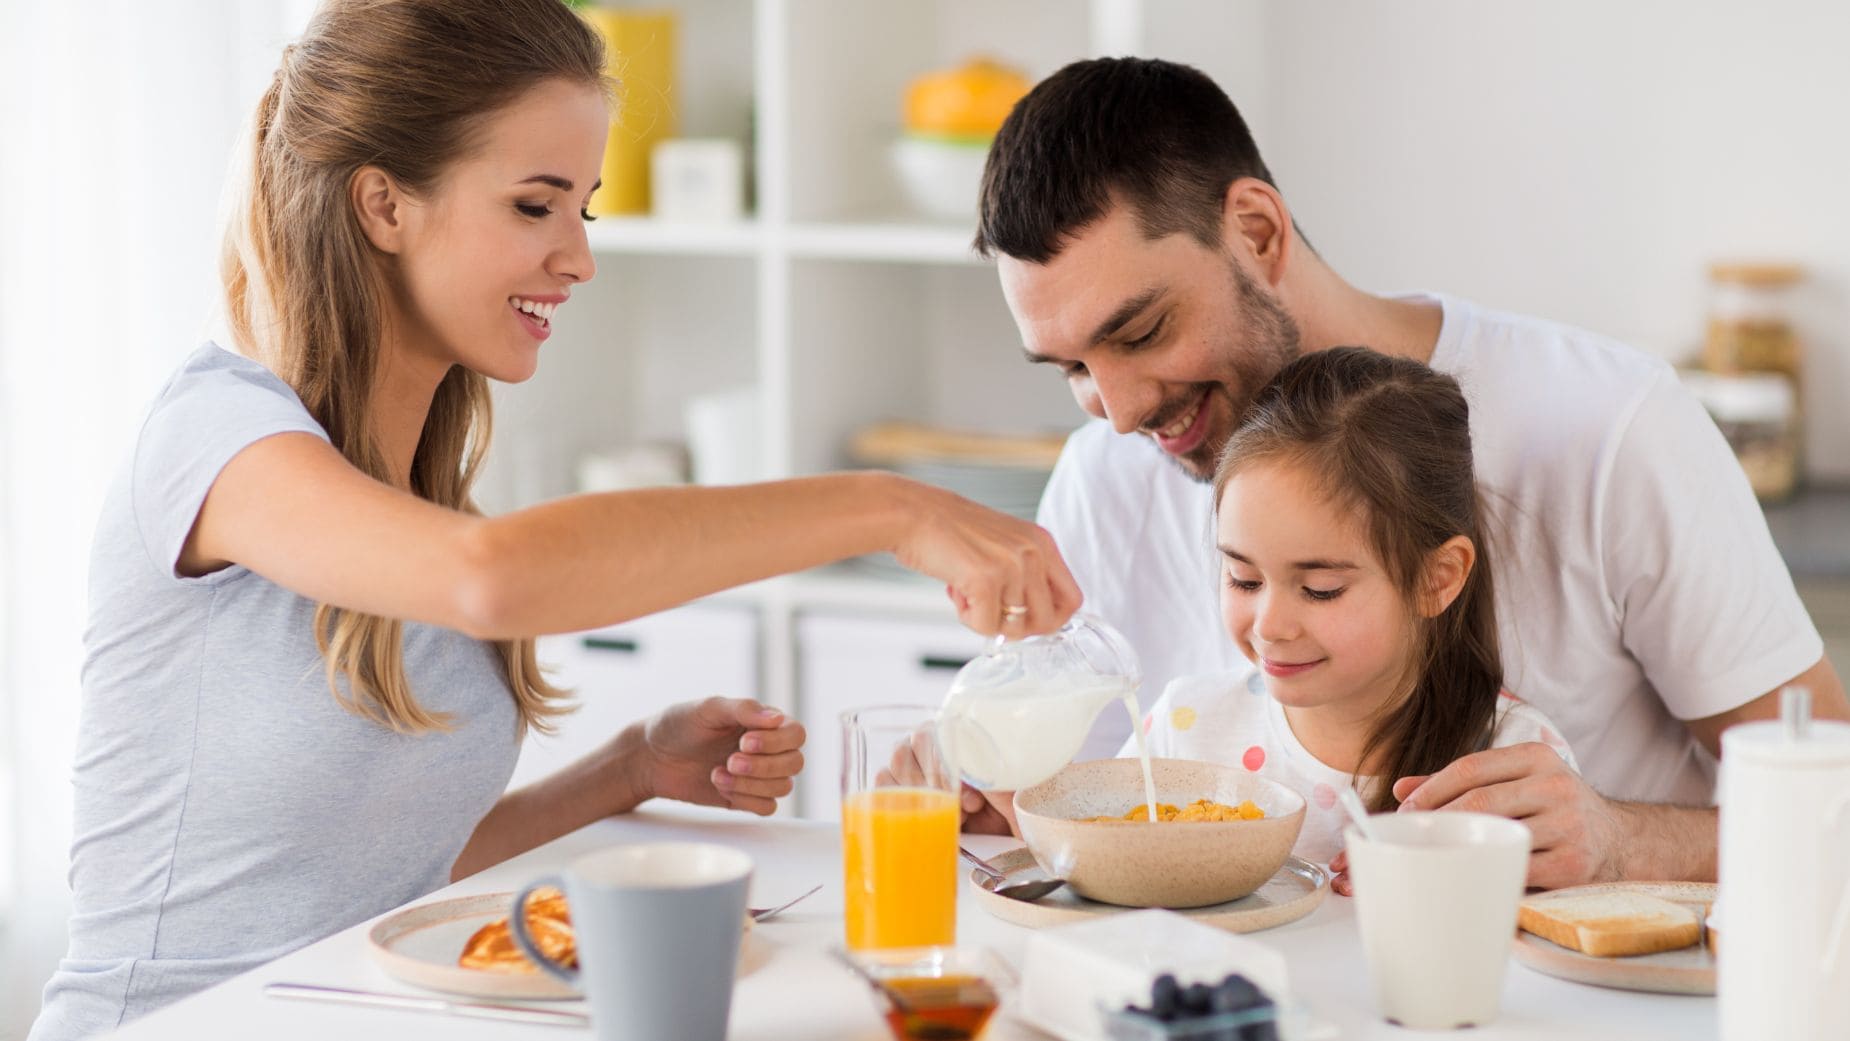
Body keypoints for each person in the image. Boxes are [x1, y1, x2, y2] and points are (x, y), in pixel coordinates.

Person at [30, 3, 1079, 1039]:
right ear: (383, 207)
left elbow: (381, 875)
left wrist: (625, 770)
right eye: (535, 207)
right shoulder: (215, 439)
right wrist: (883, 506)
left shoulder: (409, 503)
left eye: (583, 209)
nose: (577, 257)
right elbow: (496, 576)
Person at [965, 56, 1846, 889]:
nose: (1118, 413)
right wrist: (985, 800)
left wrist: (1616, 839)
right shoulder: (1105, 476)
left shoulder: (1610, 426)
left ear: (1257, 232)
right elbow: (1086, 825)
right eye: (1073, 369)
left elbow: (1834, 806)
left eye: (1141, 332)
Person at [1138, 346, 1576, 878]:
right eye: (1243, 579)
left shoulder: (1512, 766)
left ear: (1437, 579)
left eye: (1320, 588)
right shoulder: (1183, 733)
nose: (1269, 625)